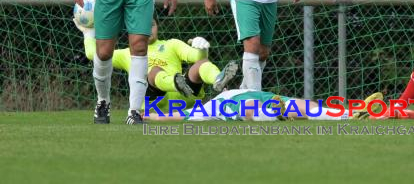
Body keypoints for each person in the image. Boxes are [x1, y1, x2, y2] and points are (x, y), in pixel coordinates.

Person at [74, 17, 239, 112]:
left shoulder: (171, 44)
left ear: (157, 27)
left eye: (151, 24)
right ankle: (175, 83)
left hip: (185, 98)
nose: (149, 28)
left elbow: (195, 56)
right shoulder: (127, 53)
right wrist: (89, 33)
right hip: (154, 103)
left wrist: (201, 48)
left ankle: (218, 79)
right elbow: (93, 54)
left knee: (202, 63)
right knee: (152, 71)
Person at [145, 88, 368, 122]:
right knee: (251, 106)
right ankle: (273, 113)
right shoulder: (209, 108)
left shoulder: (237, 89)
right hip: (256, 106)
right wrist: (147, 116)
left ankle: (349, 114)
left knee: (305, 105)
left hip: (268, 97)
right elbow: (176, 115)